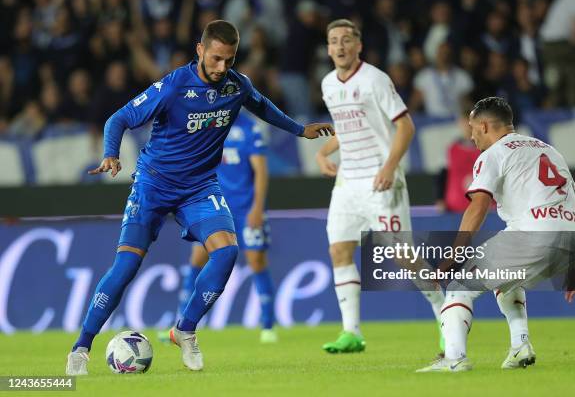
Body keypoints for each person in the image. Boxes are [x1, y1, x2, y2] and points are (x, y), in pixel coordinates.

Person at [65, 20, 333, 376]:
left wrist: (299, 129)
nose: (223, 68)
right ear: (200, 50)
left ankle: (185, 330)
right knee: (126, 266)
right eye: (217, 58)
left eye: (230, 60)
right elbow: (119, 118)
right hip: (153, 185)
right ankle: (81, 348)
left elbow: (262, 106)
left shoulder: (237, 85)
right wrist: (111, 153)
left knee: (227, 253)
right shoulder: (174, 85)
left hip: (200, 187)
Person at [417, 97, 575, 372]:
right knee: (507, 281)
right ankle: (520, 345)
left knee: (460, 288)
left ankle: (454, 359)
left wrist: (454, 254)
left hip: (534, 235)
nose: (471, 135)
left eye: (473, 128)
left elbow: (479, 206)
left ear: (484, 126)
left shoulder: (493, 154)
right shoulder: (549, 150)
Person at [316, 19, 445, 354]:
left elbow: (405, 126)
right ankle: (351, 332)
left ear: (359, 45)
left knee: (403, 256)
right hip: (348, 182)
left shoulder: (375, 80)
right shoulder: (328, 84)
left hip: (380, 179)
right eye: (334, 41)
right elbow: (347, 126)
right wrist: (323, 152)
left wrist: (390, 167)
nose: (340, 46)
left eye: (347, 39)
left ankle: (446, 315)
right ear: (328, 48)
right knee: (338, 251)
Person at [162, 110, 278, 344]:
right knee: (197, 259)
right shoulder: (207, 123)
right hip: (215, 207)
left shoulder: (249, 128)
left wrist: (257, 207)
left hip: (246, 209)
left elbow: (261, 172)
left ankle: (267, 325)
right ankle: (180, 322)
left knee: (256, 261)